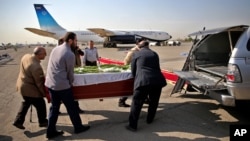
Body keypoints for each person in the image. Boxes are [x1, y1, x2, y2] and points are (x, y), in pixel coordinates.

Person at [45, 32, 90, 139]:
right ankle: (78, 127)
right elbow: (70, 73)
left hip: (51, 83)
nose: (76, 42)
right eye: (75, 40)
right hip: (62, 86)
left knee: (54, 108)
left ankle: (50, 131)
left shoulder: (56, 49)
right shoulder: (69, 54)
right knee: (72, 107)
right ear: (70, 40)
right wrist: (70, 83)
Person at [126, 40, 167, 132]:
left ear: (139, 47)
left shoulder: (137, 54)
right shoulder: (155, 54)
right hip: (157, 81)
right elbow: (157, 67)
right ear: (148, 46)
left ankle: (132, 126)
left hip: (143, 81)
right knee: (154, 102)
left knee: (136, 103)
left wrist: (136, 79)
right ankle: (149, 120)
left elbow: (133, 70)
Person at [13, 47, 48, 130]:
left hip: (22, 85)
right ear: (39, 55)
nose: (46, 55)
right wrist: (44, 94)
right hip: (30, 89)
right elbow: (39, 83)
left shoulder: (26, 56)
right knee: (40, 104)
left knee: (26, 103)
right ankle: (42, 121)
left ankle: (18, 121)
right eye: (44, 54)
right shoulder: (36, 66)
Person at [57, 38, 85, 113]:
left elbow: (82, 54)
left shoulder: (74, 49)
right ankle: (56, 109)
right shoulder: (63, 51)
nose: (75, 43)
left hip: (76, 69)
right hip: (67, 72)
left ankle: (76, 108)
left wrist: (78, 49)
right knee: (61, 93)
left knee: (74, 91)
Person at [118, 39, 142, 107]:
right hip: (134, 71)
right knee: (132, 87)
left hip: (139, 71)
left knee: (141, 86)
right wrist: (129, 70)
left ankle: (145, 99)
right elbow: (126, 61)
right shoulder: (133, 51)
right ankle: (121, 101)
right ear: (138, 43)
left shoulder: (140, 50)